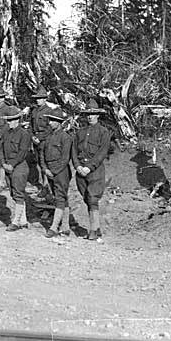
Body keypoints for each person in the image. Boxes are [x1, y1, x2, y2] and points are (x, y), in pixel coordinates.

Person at [72, 99, 111, 241]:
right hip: (81, 170)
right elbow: (74, 151)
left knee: (93, 198)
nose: (90, 116)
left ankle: (93, 230)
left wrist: (89, 167)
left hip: (95, 171)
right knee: (86, 199)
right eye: (88, 114)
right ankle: (97, 227)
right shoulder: (80, 132)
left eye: (93, 114)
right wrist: (78, 166)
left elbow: (102, 152)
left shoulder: (103, 132)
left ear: (98, 115)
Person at [0, 107, 31, 231]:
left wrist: (11, 164)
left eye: (12, 120)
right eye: (8, 120)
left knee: (18, 193)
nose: (9, 123)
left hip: (19, 166)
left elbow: (22, 152)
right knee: (13, 193)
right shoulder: (6, 133)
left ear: (18, 120)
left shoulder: (24, 134)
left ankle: (16, 221)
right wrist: (3, 163)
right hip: (8, 166)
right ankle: (23, 220)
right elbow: (1, 150)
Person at [43, 110, 73, 238]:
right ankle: (65, 227)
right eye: (50, 120)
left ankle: (54, 227)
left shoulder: (65, 137)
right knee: (60, 198)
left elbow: (65, 158)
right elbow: (42, 155)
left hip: (61, 172)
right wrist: (45, 169)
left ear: (59, 123)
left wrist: (54, 171)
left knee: (60, 197)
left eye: (53, 120)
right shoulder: (49, 137)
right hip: (49, 171)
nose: (50, 123)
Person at [30, 86, 54, 199]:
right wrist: (32, 137)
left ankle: (46, 186)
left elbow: (50, 128)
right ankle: (44, 185)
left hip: (45, 140)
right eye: (37, 98)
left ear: (45, 99)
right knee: (39, 163)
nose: (38, 100)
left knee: (45, 163)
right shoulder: (34, 110)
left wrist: (41, 137)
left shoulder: (49, 111)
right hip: (36, 140)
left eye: (40, 98)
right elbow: (31, 126)